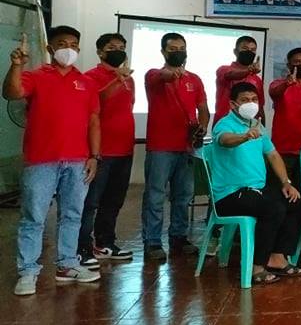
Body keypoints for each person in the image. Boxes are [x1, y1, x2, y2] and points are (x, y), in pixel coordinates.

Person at [5, 27, 101, 296]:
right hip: (41, 160)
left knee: (72, 215)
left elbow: (94, 121)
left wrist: (94, 156)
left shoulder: (86, 82)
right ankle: (28, 271)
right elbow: (12, 93)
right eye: (62, 44)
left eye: (73, 44)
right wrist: (16, 65)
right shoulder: (36, 76)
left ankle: (67, 265)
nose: (68, 49)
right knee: (34, 217)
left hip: (78, 160)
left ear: (79, 49)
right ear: (50, 49)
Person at [208, 82, 301, 284]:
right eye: (245, 100)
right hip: (230, 195)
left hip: (257, 190)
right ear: (233, 104)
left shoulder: (257, 126)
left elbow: (273, 155)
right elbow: (225, 140)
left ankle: (277, 256)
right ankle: (256, 266)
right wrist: (244, 137)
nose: (251, 104)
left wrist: (286, 182)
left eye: (254, 100)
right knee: (273, 208)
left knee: (298, 201)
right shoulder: (224, 124)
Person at [143, 32, 209, 261]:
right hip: (160, 146)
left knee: (183, 195)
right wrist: (170, 75)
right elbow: (161, 76)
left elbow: (203, 108)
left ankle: (178, 237)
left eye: (182, 48)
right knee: (155, 195)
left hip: (187, 146)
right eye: (173, 49)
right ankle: (152, 241)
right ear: (163, 52)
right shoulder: (153, 74)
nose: (178, 52)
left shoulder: (195, 79)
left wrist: (202, 127)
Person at [79, 33, 135, 264]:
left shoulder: (128, 79)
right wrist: (116, 81)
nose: (118, 51)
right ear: (100, 52)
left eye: (122, 47)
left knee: (113, 201)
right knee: (90, 202)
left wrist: (121, 79)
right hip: (101, 151)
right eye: (112, 47)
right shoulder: (90, 77)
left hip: (125, 149)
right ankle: (82, 248)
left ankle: (105, 243)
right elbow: (95, 104)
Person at [269, 47, 301, 191]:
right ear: (289, 65)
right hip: (281, 151)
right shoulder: (278, 85)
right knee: (279, 191)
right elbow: (274, 92)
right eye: (297, 61)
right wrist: (287, 84)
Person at [213, 36, 264, 125]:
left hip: (249, 126)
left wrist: (262, 128)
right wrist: (249, 70)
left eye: (253, 50)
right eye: (245, 48)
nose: (249, 52)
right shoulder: (223, 69)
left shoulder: (257, 79)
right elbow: (231, 75)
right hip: (225, 124)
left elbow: (260, 107)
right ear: (235, 51)